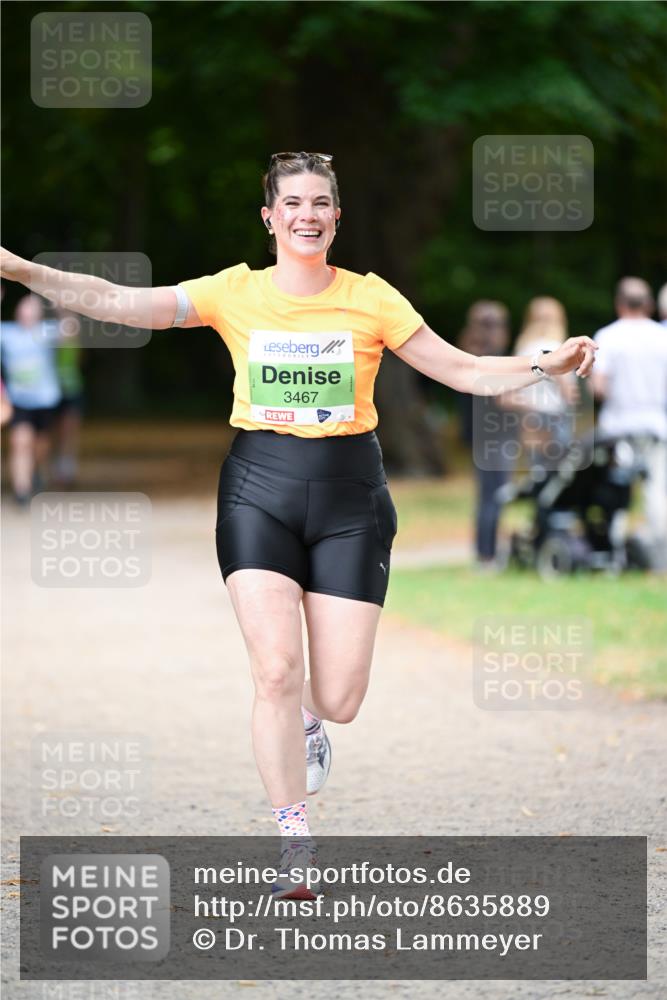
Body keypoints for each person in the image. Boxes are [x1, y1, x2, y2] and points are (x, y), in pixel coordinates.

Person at [0, 151, 597, 897]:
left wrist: (546, 363)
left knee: (338, 698)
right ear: (269, 217)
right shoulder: (232, 292)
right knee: (275, 670)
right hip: (258, 489)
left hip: (350, 496)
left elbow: (464, 371)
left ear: (336, 217)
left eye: (320, 203)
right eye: (293, 203)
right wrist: (22, 269)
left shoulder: (371, 298)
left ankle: (311, 721)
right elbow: (120, 302)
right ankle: (293, 836)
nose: (306, 215)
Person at [591, 277, 667, 567]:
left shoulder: (608, 336)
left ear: (619, 303)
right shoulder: (662, 337)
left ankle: (615, 552)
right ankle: (660, 558)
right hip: (655, 425)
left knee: (618, 490)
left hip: (618, 425)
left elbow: (599, 387)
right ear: (647, 304)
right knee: (656, 492)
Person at [458, 300, 511, 567]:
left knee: (487, 495)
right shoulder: (492, 358)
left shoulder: (467, 352)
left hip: (477, 435)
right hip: (495, 435)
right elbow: (501, 398)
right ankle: (487, 555)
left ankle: (484, 551)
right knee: (495, 495)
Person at [0, 293, 61, 505]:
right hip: (18, 400)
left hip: (45, 400)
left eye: (31, 308)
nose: (25, 311)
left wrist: (62, 305)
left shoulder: (48, 331)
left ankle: (36, 472)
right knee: (20, 442)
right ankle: (21, 490)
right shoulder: (7, 333)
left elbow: (72, 330)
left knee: (40, 446)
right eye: (23, 307)